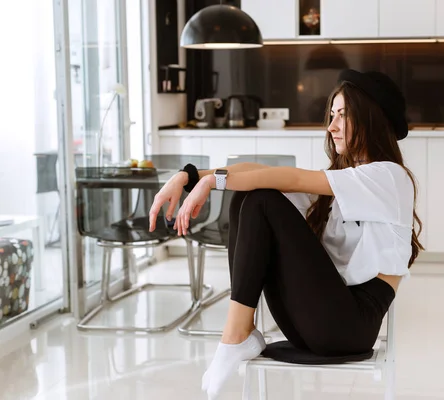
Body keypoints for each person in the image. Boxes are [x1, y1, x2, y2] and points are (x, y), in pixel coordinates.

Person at [148, 69, 424, 399]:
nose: (331, 126)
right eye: (331, 115)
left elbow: (289, 179)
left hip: (349, 327)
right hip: (315, 320)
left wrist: (212, 182)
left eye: (343, 115)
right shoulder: (344, 178)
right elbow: (261, 174)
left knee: (263, 199)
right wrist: (190, 176)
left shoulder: (388, 177)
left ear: (371, 118)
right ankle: (240, 333)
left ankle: (234, 336)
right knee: (249, 198)